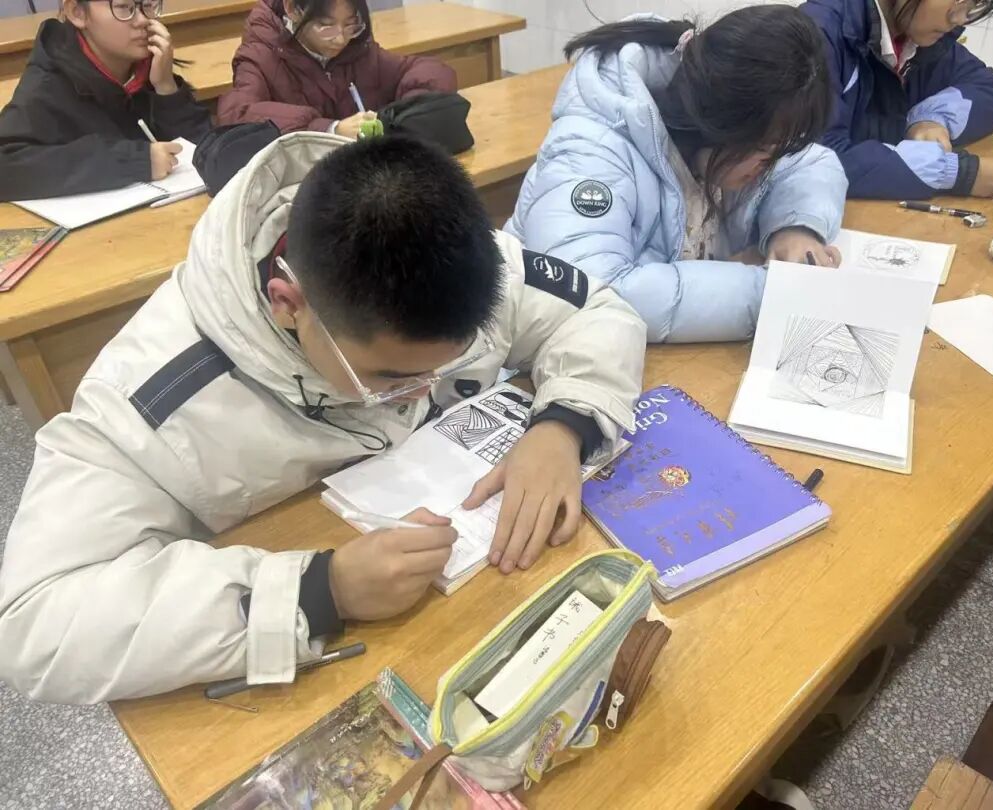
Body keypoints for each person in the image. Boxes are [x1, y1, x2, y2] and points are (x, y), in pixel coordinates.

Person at [0, 133, 645, 704]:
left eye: (443, 368)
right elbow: (35, 626)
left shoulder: (449, 257)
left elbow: (599, 312)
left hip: (471, 605)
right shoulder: (148, 395)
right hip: (325, 664)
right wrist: (317, 592)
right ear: (288, 304)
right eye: (391, 378)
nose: (420, 392)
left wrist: (563, 427)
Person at [505, 8, 848, 345]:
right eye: (766, 149)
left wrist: (795, 228)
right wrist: (766, 291)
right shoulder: (591, 153)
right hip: (543, 354)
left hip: (655, 355)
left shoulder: (726, 145)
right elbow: (585, 291)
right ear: (722, 124)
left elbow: (813, 163)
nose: (771, 165)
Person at [800, 0, 993, 199]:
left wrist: (932, 119)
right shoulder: (818, 33)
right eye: (958, 1)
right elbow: (814, 158)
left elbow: (991, 88)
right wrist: (957, 173)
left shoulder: (918, 39)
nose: (961, 19)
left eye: (973, 6)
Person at [0, 0, 210, 202]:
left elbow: (207, 150)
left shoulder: (152, 66)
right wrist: (133, 161)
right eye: (123, 7)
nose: (143, 20)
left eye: (148, 4)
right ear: (76, 12)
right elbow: (6, 165)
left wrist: (167, 89)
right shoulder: (48, 84)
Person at [217, 0, 456, 137]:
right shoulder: (261, 55)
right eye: (326, 26)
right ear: (292, 9)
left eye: (351, 24)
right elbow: (237, 113)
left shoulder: (358, 48)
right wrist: (329, 130)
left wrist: (401, 118)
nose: (340, 39)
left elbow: (430, 72)